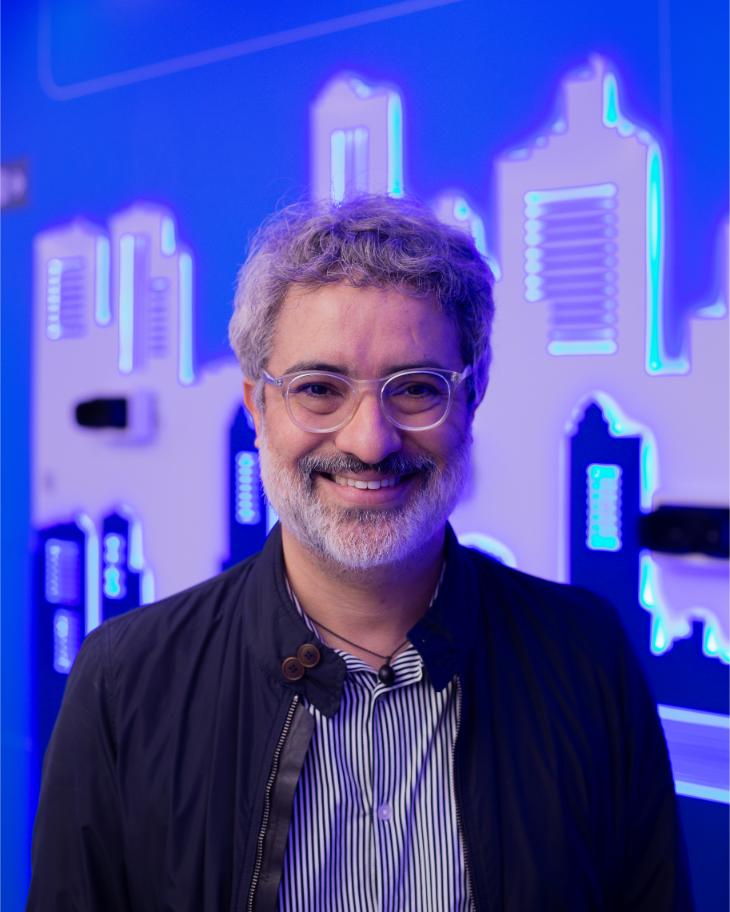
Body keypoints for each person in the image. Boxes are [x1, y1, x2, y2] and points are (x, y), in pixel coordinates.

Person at [28, 195, 692, 911]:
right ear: (257, 407)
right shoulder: (124, 682)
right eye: (319, 389)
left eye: (416, 390)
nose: (369, 441)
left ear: (472, 398)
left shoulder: (585, 656)